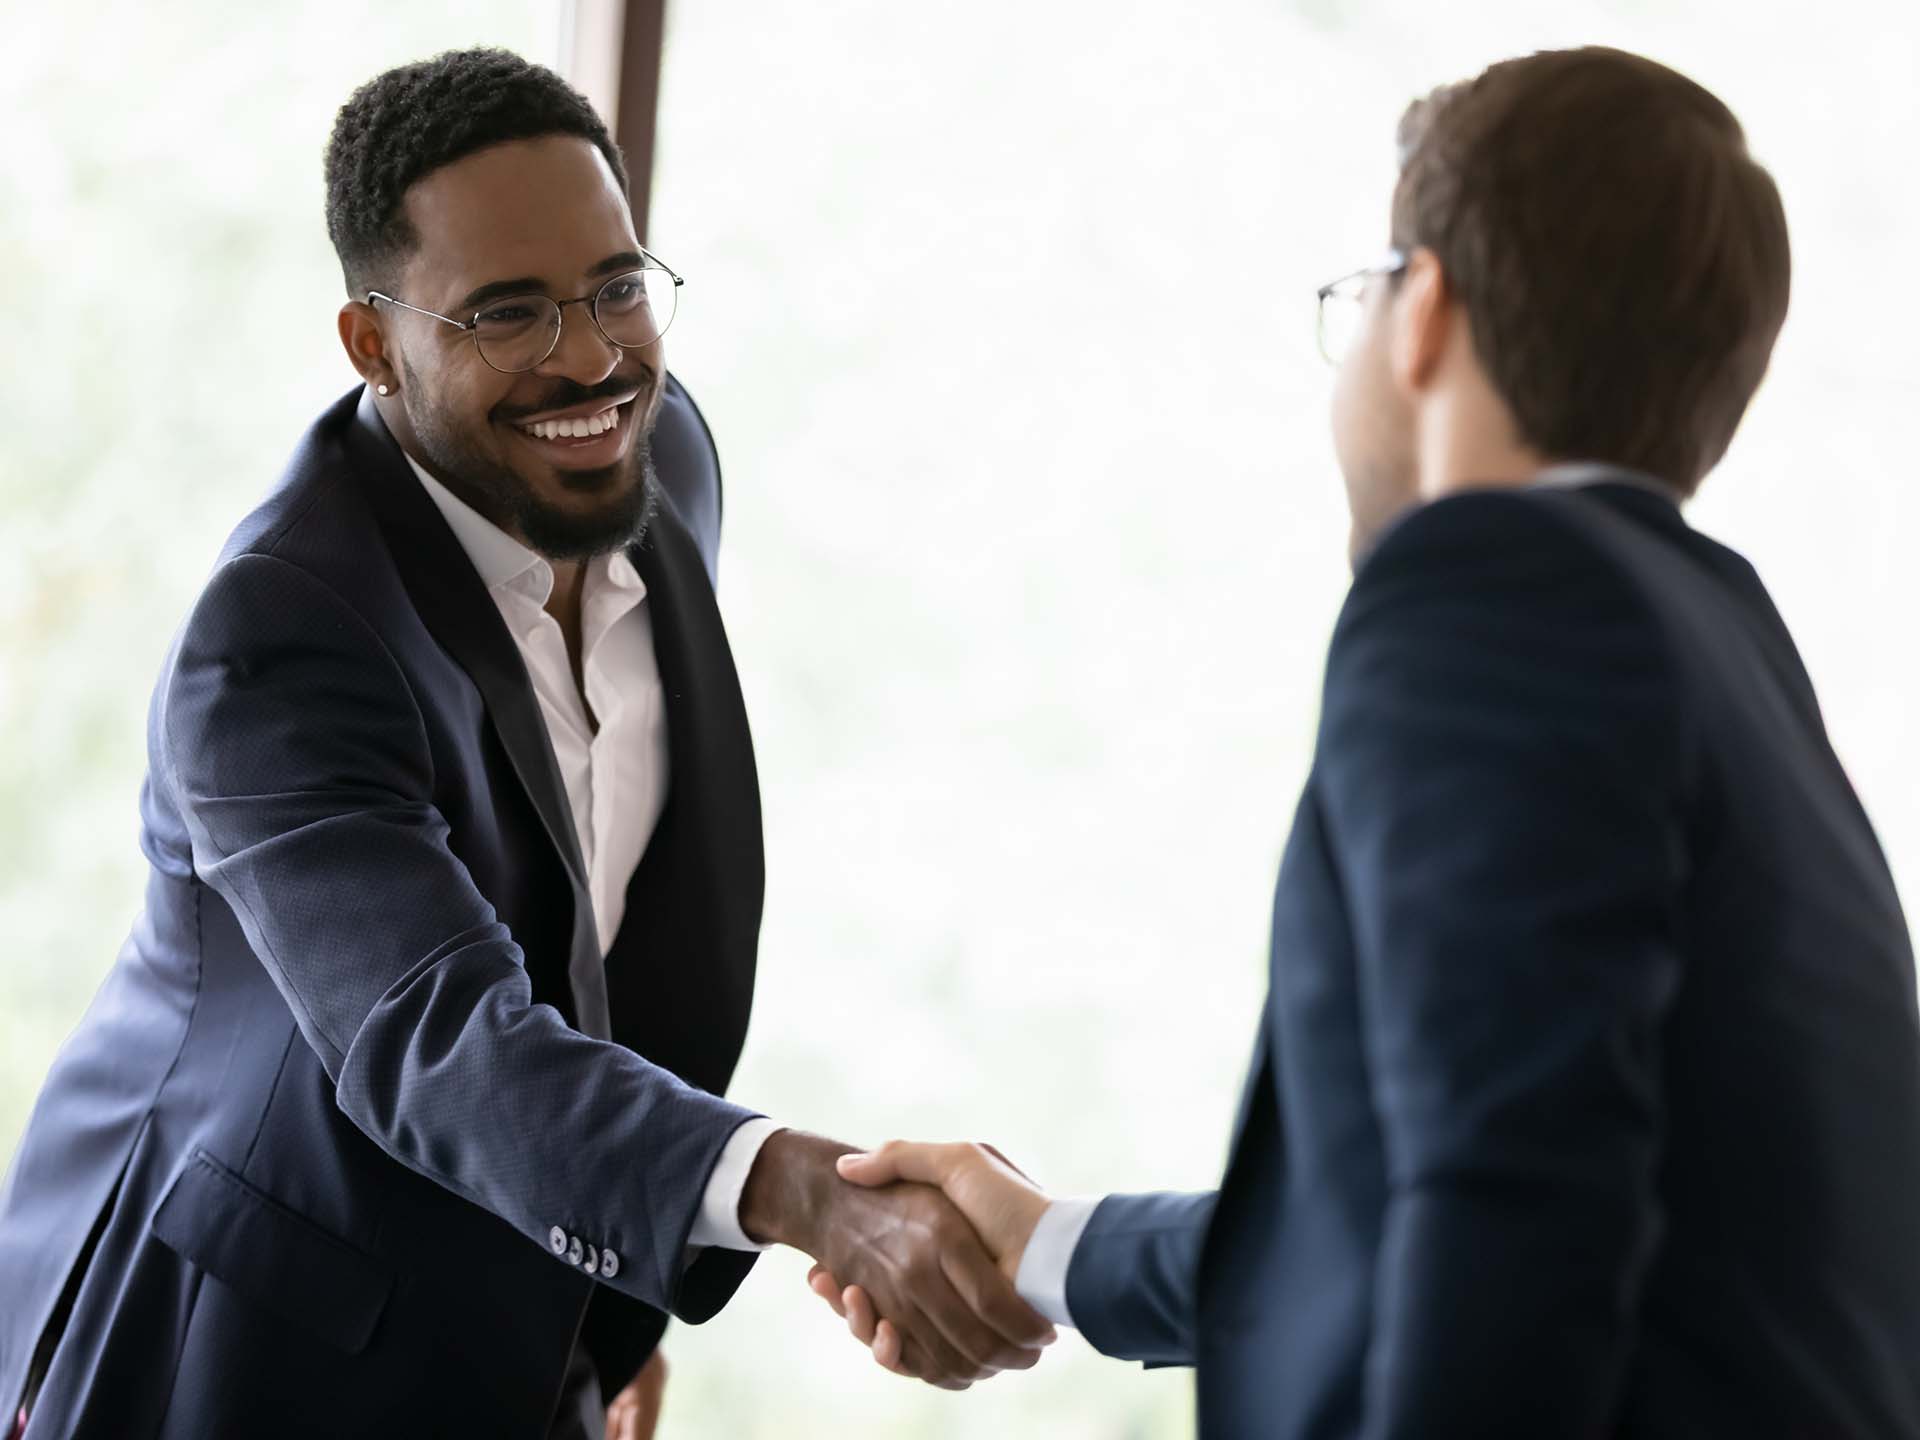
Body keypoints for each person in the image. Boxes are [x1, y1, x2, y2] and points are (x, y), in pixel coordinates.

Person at [811, 46, 1920, 1439]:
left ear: (1426, 313)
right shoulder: (1726, 637)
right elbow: (1433, 1214)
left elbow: (1512, 1199)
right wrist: (1051, 1247)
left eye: (1364, 292)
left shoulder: (1490, 583)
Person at [0, 49, 1048, 1440]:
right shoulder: (278, 638)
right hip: (239, 1337)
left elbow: (595, 936)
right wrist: (807, 1198)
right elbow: (439, 1038)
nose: (592, 356)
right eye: (507, 314)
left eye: (616, 285)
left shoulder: (659, 462)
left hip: (528, 1305)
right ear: (374, 347)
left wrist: (600, 1316)